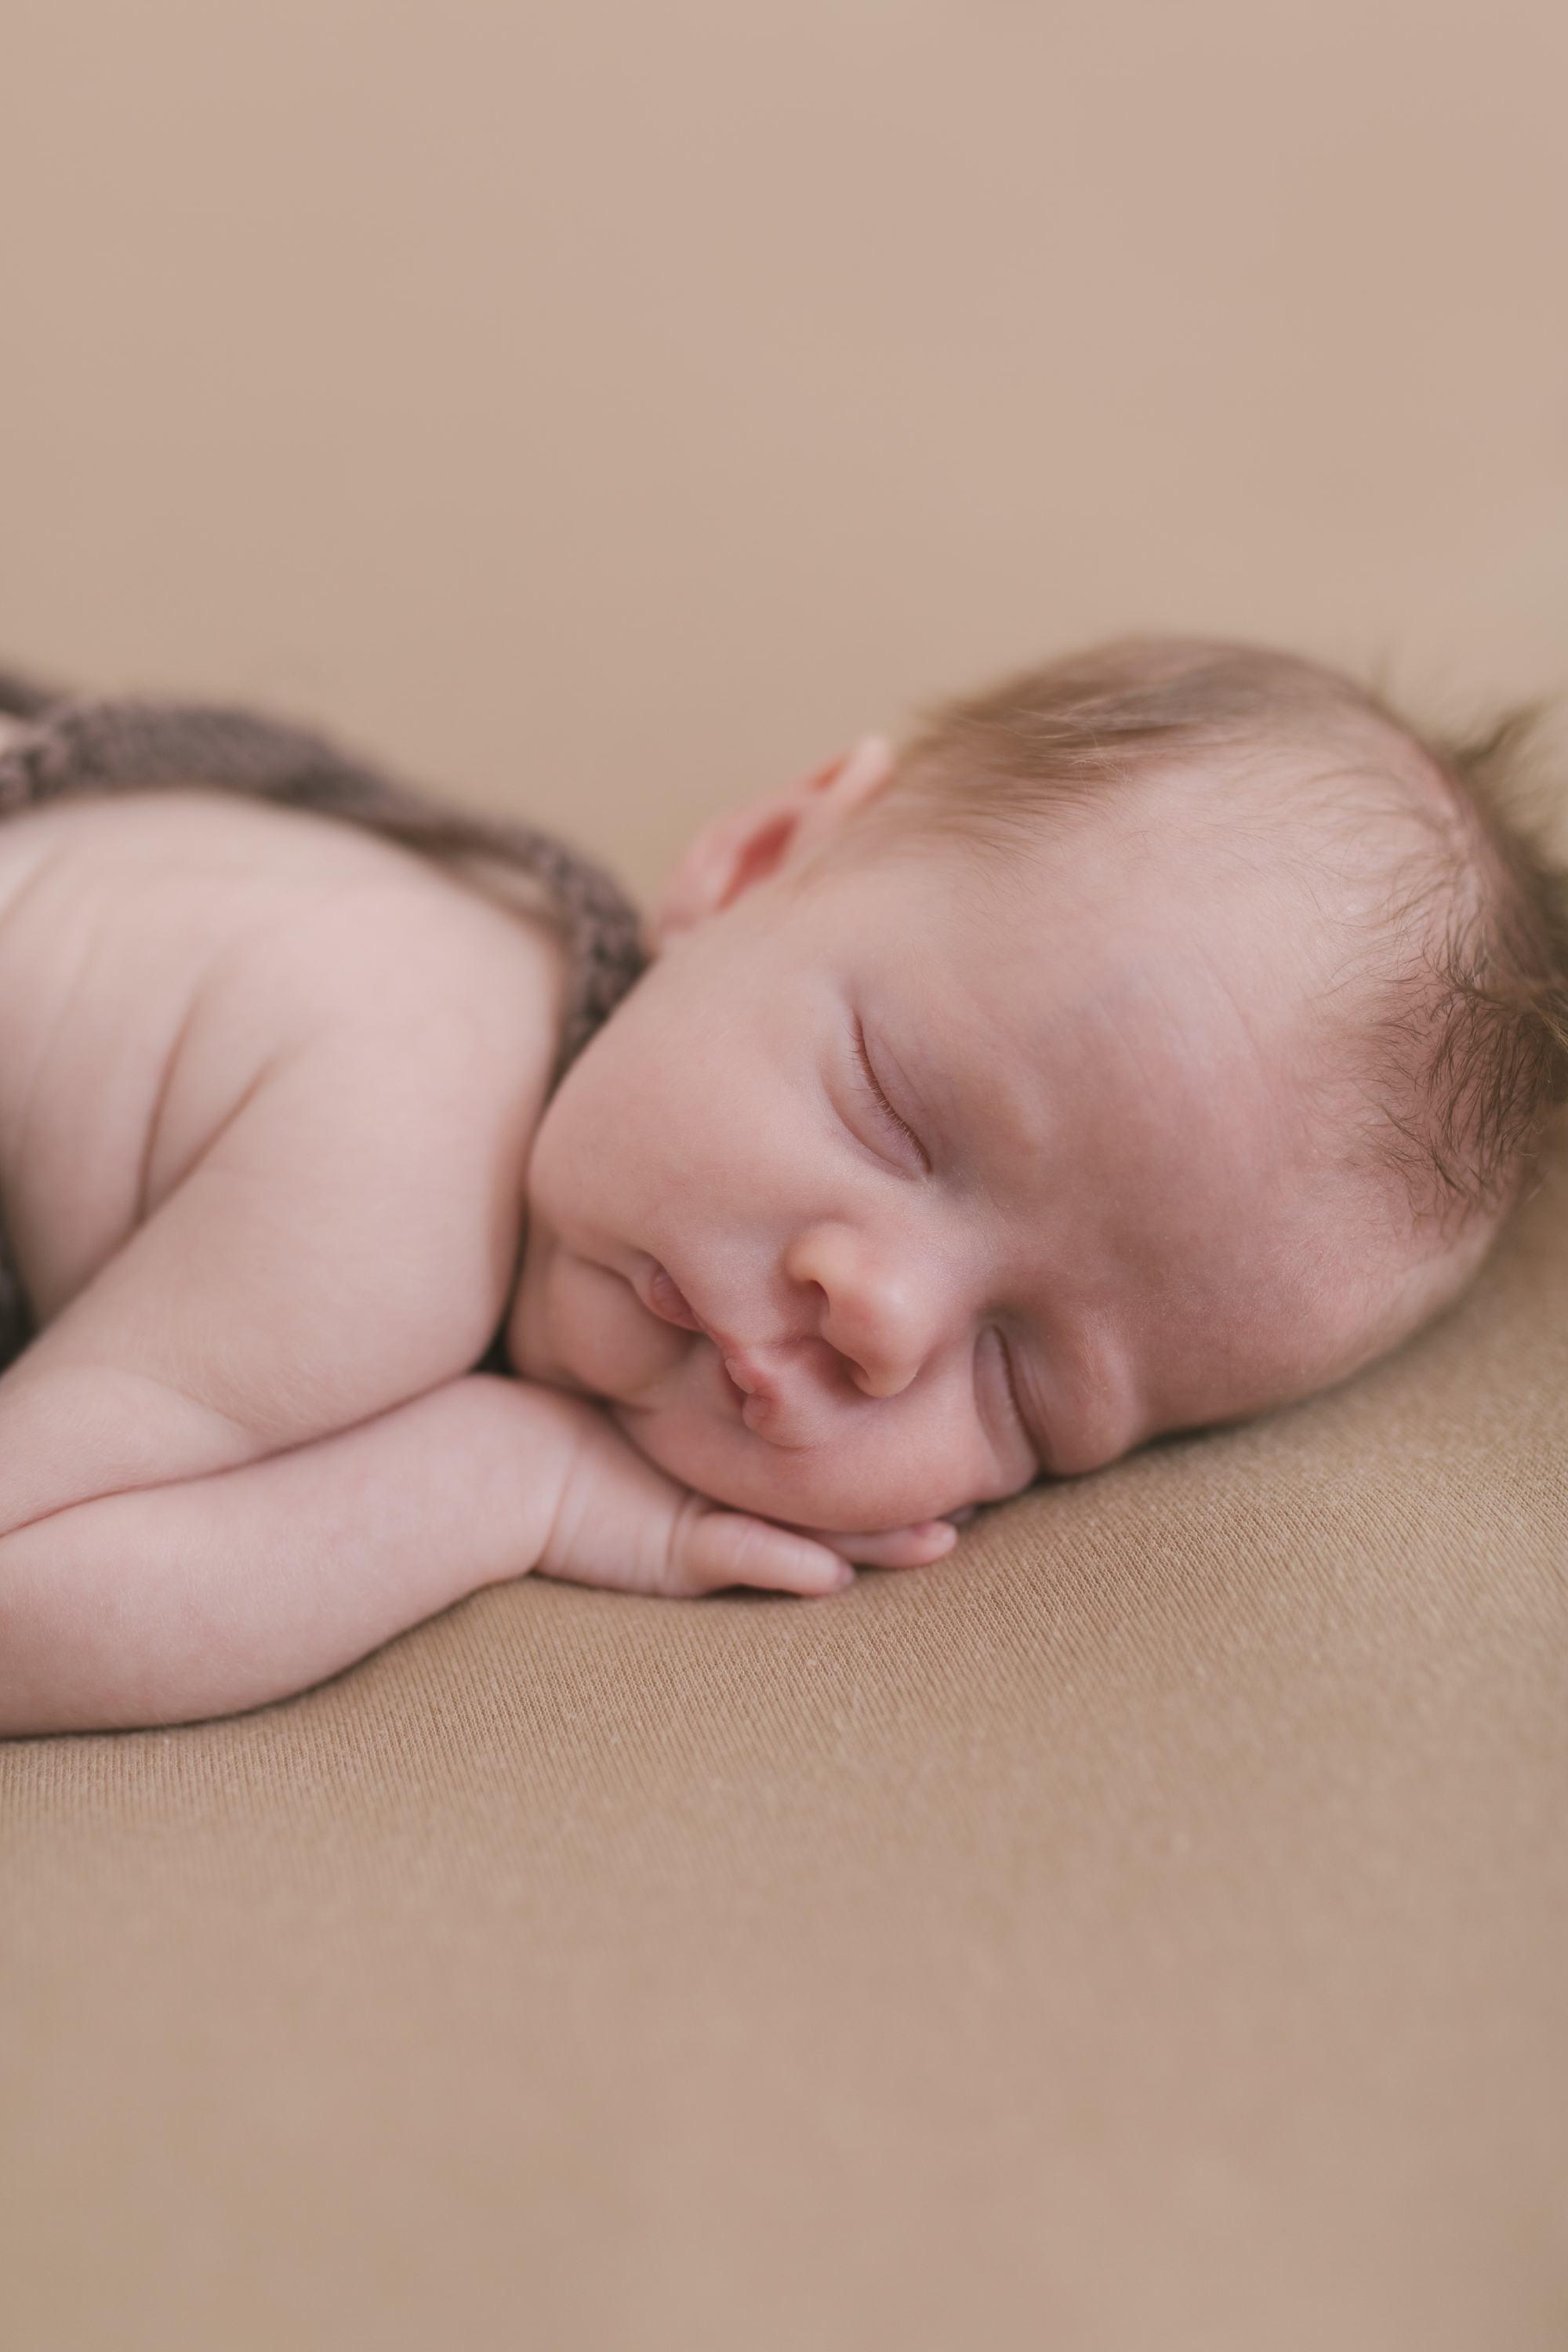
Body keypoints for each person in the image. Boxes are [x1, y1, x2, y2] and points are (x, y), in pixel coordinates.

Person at [0, 638, 1563, 1735]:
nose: (875, 1313)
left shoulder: (577, 1041)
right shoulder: (389, 1155)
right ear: (750, 861)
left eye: (1025, 1387)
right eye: (896, 1117)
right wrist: (501, 1484)